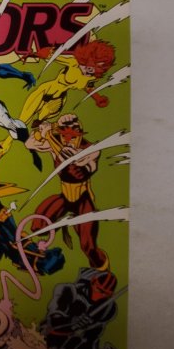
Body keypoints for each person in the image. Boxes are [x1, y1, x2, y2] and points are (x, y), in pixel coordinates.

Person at [0, 40, 115, 173]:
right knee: (21, 121)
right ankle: (4, 146)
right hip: (45, 92)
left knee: (40, 125)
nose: (91, 68)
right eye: (93, 63)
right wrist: (34, 54)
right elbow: (52, 55)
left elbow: (88, 87)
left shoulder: (91, 78)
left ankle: (34, 146)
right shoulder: (73, 63)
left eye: (99, 66)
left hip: (58, 100)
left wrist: (98, 98)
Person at [26, 113, 109, 269]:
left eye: (73, 133)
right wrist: (42, 131)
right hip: (65, 197)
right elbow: (29, 144)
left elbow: (72, 159)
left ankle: (102, 269)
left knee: (88, 247)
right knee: (38, 226)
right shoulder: (54, 141)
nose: (68, 138)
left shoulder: (91, 149)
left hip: (83, 200)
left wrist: (49, 136)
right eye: (64, 133)